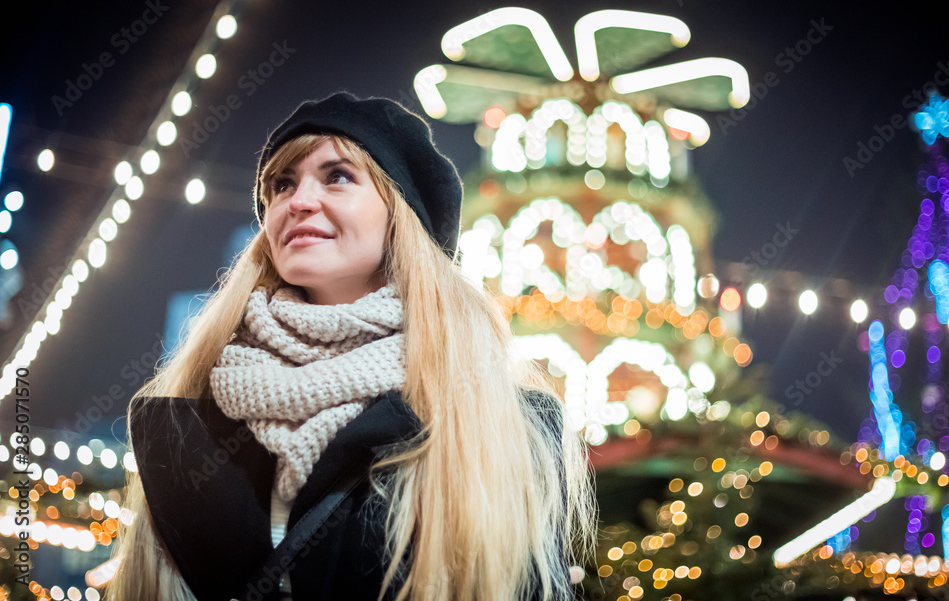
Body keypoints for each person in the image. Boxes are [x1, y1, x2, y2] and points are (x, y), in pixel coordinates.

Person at [103, 91, 598, 601]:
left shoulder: (506, 423)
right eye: (281, 184)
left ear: (399, 214)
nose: (297, 202)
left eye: (338, 176)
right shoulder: (197, 407)